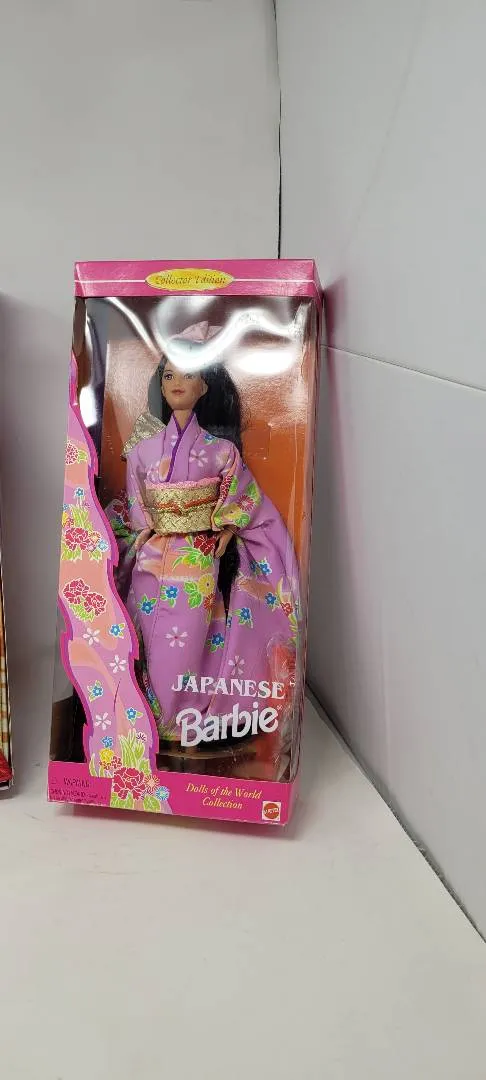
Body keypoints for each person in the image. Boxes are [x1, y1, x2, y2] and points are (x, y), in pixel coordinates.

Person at [108, 322, 301, 762]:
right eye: (169, 375)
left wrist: (228, 529)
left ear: (204, 386)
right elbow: (137, 501)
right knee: (146, 634)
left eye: (188, 375)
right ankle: (148, 722)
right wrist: (142, 530)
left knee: (190, 640)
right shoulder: (144, 450)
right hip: (154, 554)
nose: (177, 383)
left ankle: (186, 722)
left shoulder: (221, 451)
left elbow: (241, 495)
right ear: (161, 385)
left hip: (198, 555)